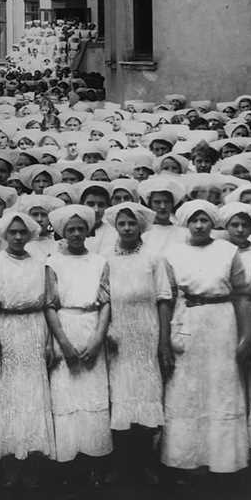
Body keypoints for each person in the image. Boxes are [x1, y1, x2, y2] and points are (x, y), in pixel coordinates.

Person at [160, 200, 251, 476]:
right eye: (194, 220)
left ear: (213, 223)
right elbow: (166, 298)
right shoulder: (172, 253)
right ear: (186, 223)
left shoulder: (227, 250)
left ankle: (223, 463)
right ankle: (185, 462)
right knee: (187, 391)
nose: (199, 226)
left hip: (222, 323)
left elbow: (243, 294)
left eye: (205, 220)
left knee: (221, 389)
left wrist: (246, 335)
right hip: (187, 319)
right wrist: (164, 341)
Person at [0, 211, 54, 487]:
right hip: (6, 330)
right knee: (8, 398)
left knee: (33, 397)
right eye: (13, 233)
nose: (19, 237)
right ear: (5, 235)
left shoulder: (40, 263)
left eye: (23, 232)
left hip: (34, 329)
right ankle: (10, 466)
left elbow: (48, 303)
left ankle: (33, 466)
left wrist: (49, 341)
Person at [102, 202, 172, 484]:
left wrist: (164, 341)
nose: (128, 228)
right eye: (122, 224)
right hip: (118, 333)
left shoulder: (155, 259)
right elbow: (103, 298)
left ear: (141, 226)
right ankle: (122, 463)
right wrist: (106, 329)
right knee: (121, 393)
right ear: (115, 227)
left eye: (132, 224)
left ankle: (146, 462)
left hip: (147, 331)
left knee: (146, 392)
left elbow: (164, 300)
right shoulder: (106, 258)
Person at [44, 206, 113, 477]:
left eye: (80, 229)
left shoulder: (99, 261)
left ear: (88, 231)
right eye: (70, 230)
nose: (75, 234)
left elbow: (107, 302)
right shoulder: (53, 262)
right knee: (66, 394)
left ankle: (93, 461)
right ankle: (67, 464)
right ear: (62, 232)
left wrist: (97, 340)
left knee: (92, 393)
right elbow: (50, 305)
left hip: (92, 324)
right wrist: (64, 344)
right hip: (66, 326)